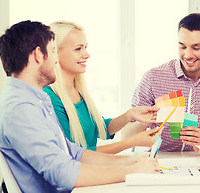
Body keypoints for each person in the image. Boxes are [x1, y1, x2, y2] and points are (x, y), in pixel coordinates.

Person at [0, 21, 159, 193]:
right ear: (38, 55)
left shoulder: (34, 101)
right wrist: (131, 171)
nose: (56, 60)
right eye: (53, 51)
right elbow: (64, 174)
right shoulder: (20, 109)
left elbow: (74, 153)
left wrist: (131, 161)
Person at [123, 13, 200, 152]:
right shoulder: (153, 78)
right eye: (182, 47)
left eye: (196, 48)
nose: (188, 55)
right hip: (160, 159)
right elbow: (125, 136)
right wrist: (144, 122)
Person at [44, 21, 159, 153]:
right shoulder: (50, 98)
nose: (87, 54)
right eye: (78, 49)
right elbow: (76, 155)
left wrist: (130, 114)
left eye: (86, 47)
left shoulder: (79, 92)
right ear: (55, 52)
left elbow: (101, 129)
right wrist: (132, 142)